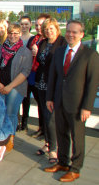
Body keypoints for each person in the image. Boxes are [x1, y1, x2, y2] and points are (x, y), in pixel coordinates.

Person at [44, 20, 99, 182]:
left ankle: (75, 169)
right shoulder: (60, 52)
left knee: (77, 137)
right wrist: (49, 98)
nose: (70, 34)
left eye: (74, 32)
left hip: (78, 105)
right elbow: (53, 77)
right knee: (61, 134)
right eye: (68, 31)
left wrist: (87, 107)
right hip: (59, 101)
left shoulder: (90, 55)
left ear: (81, 34)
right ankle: (62, 162)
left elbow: (92, 83)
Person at [0, 23, 32, 151]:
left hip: (16, 87)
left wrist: (9, 87)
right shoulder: (0, 49)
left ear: (20, 34)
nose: (13, 36)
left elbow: (25, 72)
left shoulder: (25, 52)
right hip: (0, 85)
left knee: (10, 113)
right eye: (10, 33)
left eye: (16, 33)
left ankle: (9, 138)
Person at [34, 18, 66, 163]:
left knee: (51, 118)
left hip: (53, 86)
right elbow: (40, 61)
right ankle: (48, 143)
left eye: (51, 28)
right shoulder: (43, 42)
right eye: (46, 29)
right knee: (45, 116)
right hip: (41, 84)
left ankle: (54, 150)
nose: (48, 31)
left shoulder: (62, 42)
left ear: (57, 29)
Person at [24, 13, 50, 136]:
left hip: (41, 75)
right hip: (31, 72)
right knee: (30, 100)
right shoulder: (34, 39)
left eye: (41, 25)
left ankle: (45, 130)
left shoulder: (48, 41)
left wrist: (37, 52)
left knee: (42, 103)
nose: (39, 27)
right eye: (37, 25)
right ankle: (39, 127)